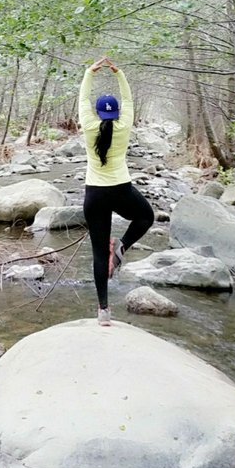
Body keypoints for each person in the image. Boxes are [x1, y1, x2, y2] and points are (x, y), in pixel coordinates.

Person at [79, 56, 154, 326]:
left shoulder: (89, 126)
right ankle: (122, 246)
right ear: (116, 113)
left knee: (99, 254)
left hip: (95, 195)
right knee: (146, 217)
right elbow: (129, 100)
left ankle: (103, 312)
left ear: (99, 113)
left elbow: (82, 100)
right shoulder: (124, 127)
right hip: (121, 190)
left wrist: (90, 72)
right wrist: (118, 73)